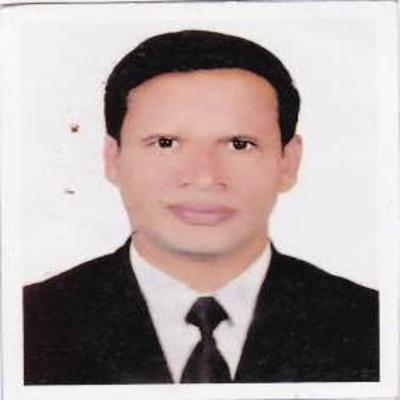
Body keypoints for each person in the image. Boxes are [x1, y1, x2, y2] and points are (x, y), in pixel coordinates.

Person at [24, 30, 379, 385]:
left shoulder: (374, 324)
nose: (204, 177)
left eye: (239, 144)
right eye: (166, 143)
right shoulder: (29, 322)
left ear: (288, 161)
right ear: (113, 158)